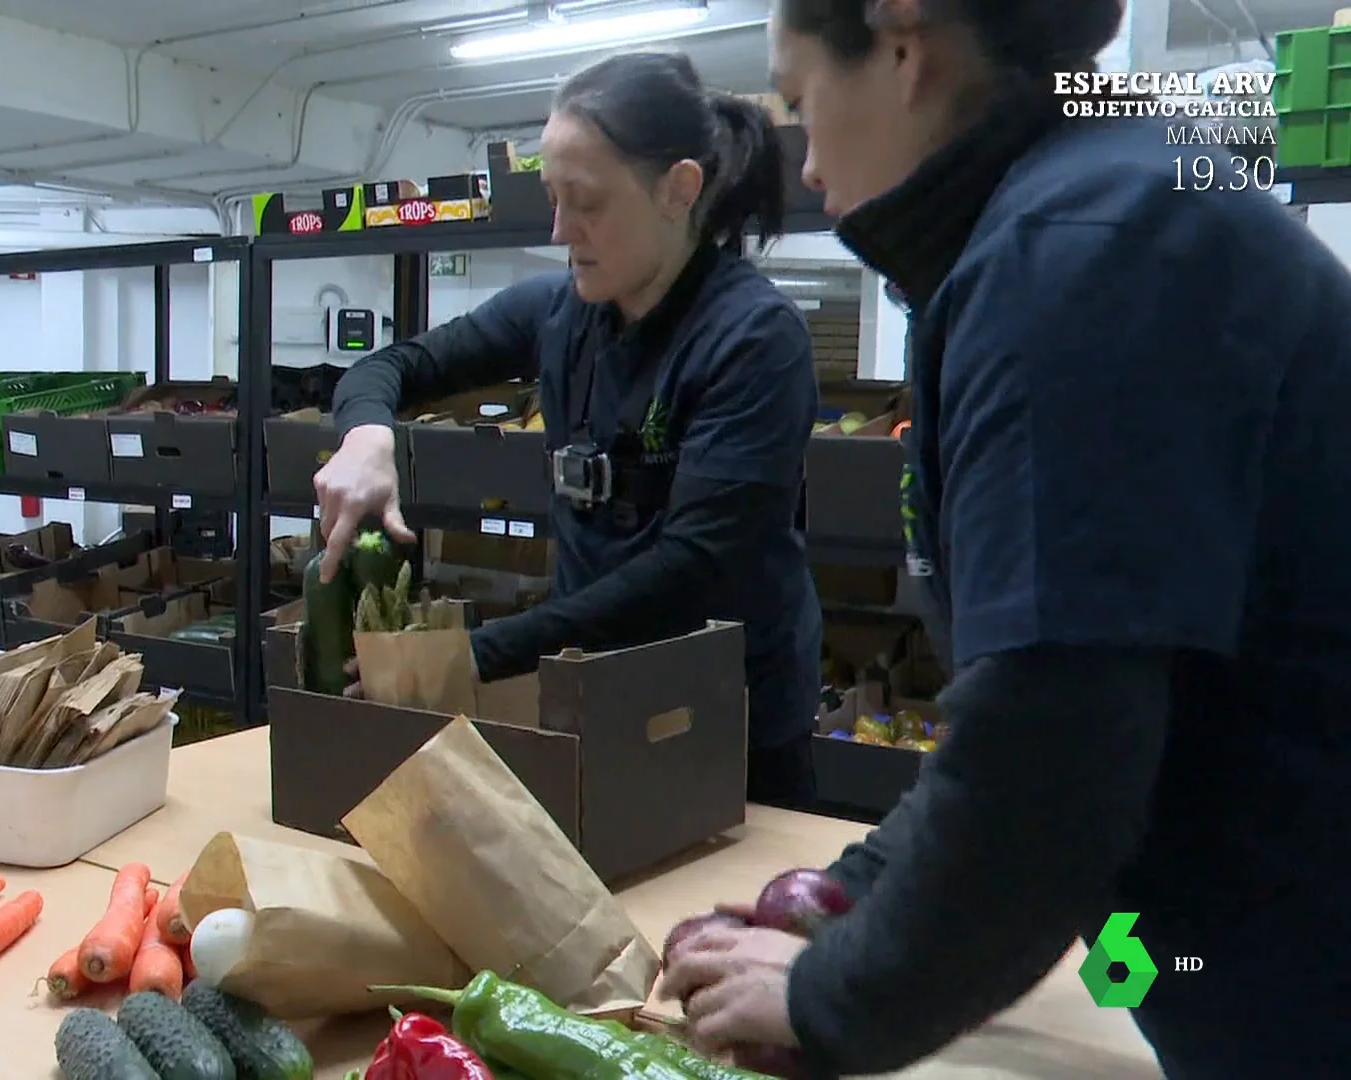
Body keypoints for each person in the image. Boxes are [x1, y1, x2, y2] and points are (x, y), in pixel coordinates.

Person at [658, 1, 1351, 1076]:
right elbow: (1057, 683)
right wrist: (866, 889)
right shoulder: (1097, 206)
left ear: (901, 41)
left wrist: (835, 995)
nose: (804, 167)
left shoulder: (1068, 256)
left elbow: (1054, 739)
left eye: (802, 103)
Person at [314, 51, 825, 807]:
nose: (560, 230)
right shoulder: (559, 311)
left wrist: (475, 654)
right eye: (554, 198)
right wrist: (365, 438)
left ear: (678, 190)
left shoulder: (752, 339)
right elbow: (389, 368)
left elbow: (692, 568)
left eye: (585, 202)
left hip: (728, 716)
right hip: (592, 689)